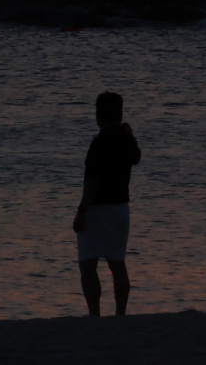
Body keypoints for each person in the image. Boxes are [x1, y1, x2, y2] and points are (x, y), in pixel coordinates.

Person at [72, 92, 142, 316]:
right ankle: (120, 314)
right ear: (120, 113)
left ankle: (95, 315)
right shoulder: (126, 140)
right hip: (121, 208)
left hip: (98, 208)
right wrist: (128, 132)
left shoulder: (99, 143)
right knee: (117, 264)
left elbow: (93, 181)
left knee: (88, 265)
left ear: (98, 114)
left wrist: (82, 210)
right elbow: (136, 157)